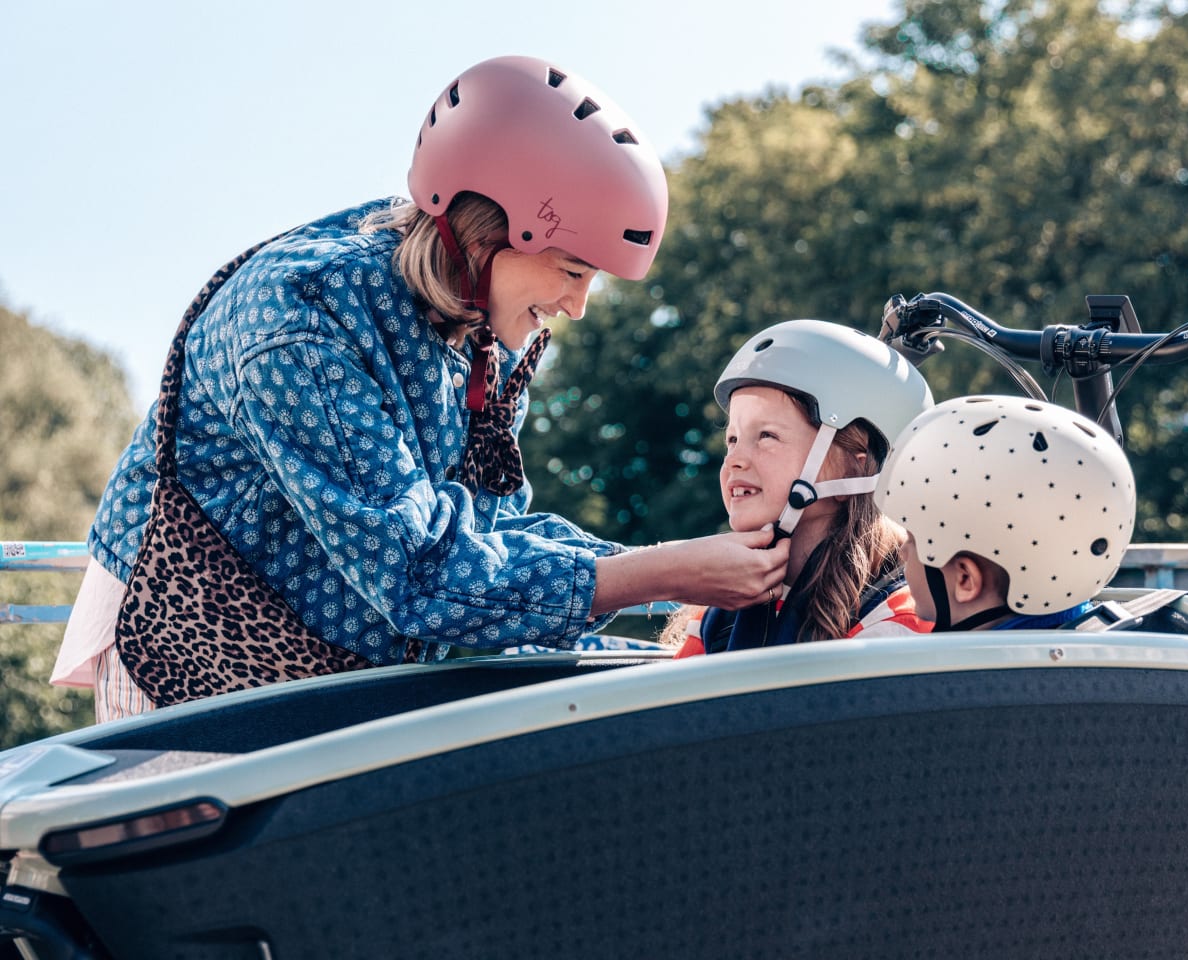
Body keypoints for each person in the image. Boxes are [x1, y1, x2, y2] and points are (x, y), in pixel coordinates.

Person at [50, 55, 788, 721]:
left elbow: (483, 539)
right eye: (572, 271)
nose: (578, 306)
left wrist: (675, 567)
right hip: (191, 639)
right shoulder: (300, 319)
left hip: (327, 654)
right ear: (486, 234)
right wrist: (656, 575)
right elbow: (422, 575)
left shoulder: (482, 331)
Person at [666, 318, 935, 656]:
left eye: (766, 436)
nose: (733, 460)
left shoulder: (894, 622)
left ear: (855, 465)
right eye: (732, 439)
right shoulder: (721, 614)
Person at [872, 395, 1137, 631]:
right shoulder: (1100, 639)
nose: (903, 551)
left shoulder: (957, 679)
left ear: (965, 579)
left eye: (914, 539)